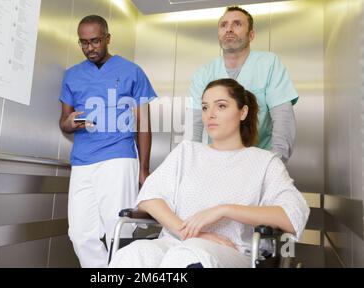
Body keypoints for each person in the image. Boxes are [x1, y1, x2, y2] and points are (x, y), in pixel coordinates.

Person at [109, 79, 309, 268]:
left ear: (243, 112)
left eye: (221, 106)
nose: (210, 114)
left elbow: (292, 216)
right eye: (205, 107)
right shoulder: (187, 152)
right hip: (175, 243)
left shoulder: (264, 162)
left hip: (232, 252)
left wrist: (225, 210)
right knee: (134, 254)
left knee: (188, 255)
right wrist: (190, 233)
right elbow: (149, 197)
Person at [59, 15, 157, 268]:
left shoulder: (132, 71)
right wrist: (69, 123)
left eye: (95, 41)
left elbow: (143, 124)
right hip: (82, 161)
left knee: (119, 230)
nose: (89, 48)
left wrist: (143, 169)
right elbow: (63, 122)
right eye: (83, 43)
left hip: (119, 157)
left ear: (107, 39)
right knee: (80, 235)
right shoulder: (72, 75)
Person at [187, 6, 298, 163]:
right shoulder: (203, 73)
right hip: (214, 161)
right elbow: (194, 125)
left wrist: (273, 164)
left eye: (237, 24)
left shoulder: (269, 64)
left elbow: (283, 121)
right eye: (223, 25)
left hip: (259, 160)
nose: (229, 29)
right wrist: (191, 162)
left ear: (251, 34)